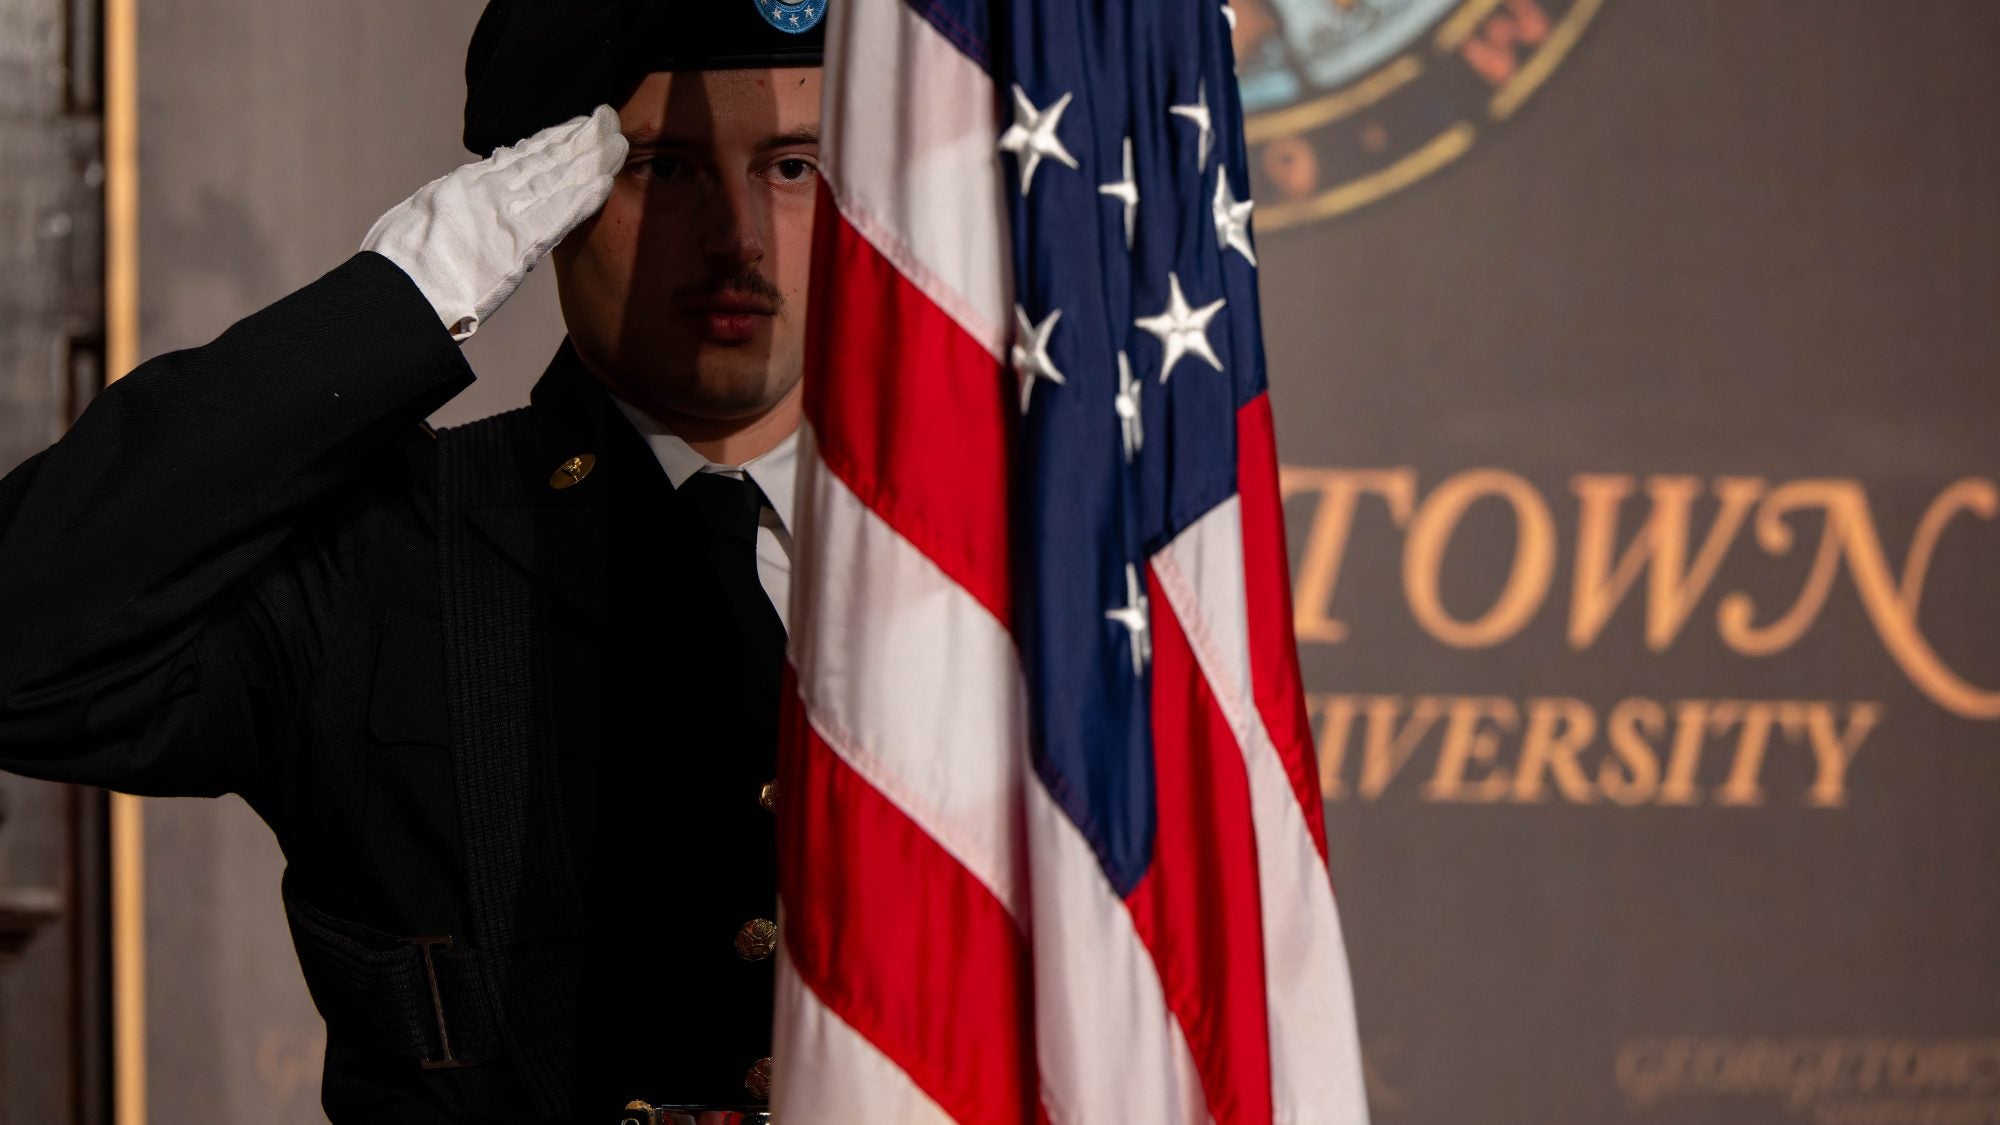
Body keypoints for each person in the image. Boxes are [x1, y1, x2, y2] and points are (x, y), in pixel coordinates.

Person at [0, 0, 827, 1119]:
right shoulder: (391, 552)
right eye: (661, 170)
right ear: (544, 192)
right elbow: (24, 648)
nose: (740, 235)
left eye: (792, 166)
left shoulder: (994, 572)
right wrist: (406, 301)